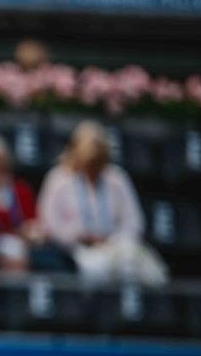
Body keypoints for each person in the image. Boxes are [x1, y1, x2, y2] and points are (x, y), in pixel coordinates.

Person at [38, 121, 167, 285]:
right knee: (99, 267)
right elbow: (50, 223)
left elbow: (134, 222)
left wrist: (111, 240)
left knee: (131, 260)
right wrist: (80, 236)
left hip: (115, 248)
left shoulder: (117, 178)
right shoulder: (58, 179)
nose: (92, 169)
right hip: (75, 251)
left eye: (97, 164)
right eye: (88, 163)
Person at [0, 132, 71, 272]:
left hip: (24, 247)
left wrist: (29, 231)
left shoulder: (20, 190)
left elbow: (33, 221)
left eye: (0, 164)